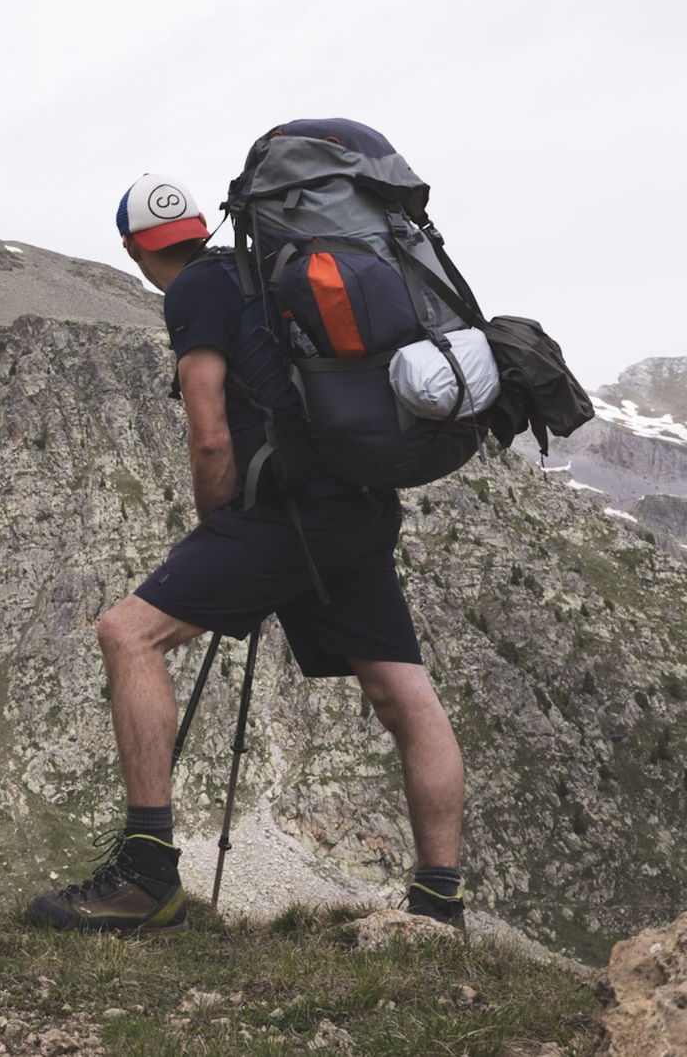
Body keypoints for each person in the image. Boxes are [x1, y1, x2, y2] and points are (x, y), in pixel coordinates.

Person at [24, 174, 467, 934]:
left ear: (134, 250)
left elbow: (209, 430)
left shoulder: (194, 290)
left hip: (282, 515)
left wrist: (216, 530)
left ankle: (146, 873)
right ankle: (439, 904)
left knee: (127, 633)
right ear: (204, 224)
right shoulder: (260, 268)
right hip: (356, 504)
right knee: (405, 694)